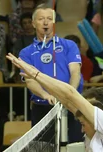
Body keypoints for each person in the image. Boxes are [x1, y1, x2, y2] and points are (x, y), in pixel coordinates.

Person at [18, 6, 84, 143]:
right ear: (33, 23)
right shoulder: (26, 52)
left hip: (72, 105)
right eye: (41, 19)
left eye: (49, 19)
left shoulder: (69, 45)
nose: (46, 22)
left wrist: (69, 94)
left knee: (74, 149)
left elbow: (75, 72)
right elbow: (30, 81)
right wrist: (46, 95)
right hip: (42, 108)